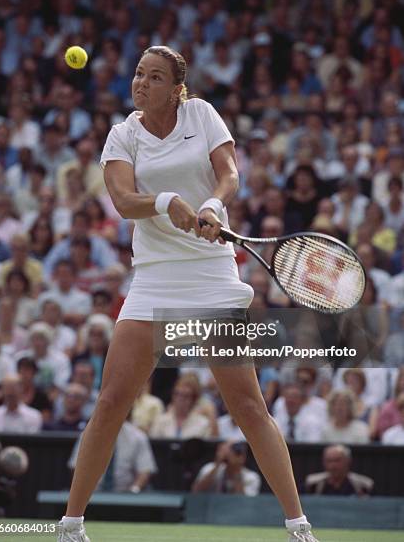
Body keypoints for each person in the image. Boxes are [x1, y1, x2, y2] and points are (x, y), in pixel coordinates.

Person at [58, 46, 319, 542]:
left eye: (155, 77)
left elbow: (230, 174)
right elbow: (121, 200)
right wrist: (167, 201)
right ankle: (71, 525)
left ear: (176, 88)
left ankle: (298, 526)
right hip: (154, 277)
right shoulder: (124, 133)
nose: (142, 83)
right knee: (112, 400)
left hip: (211, 274)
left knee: (247, 407)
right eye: (139, 73)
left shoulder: (201, 114)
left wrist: (214, 205)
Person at [192, 441, 261, 496]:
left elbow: (245, 502)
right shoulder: (209, 468)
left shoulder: (251, 477)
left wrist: (237, 469)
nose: (234, 454)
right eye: (231, 449)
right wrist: (217, 463)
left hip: (236, 511)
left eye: (238, 452)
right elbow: (197, 492)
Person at [305, 444, 374, 496]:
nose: (333, 465)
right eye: (329, 461)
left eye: (337, 460)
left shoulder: (364, 486)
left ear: (348, 461)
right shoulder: (312, 485)